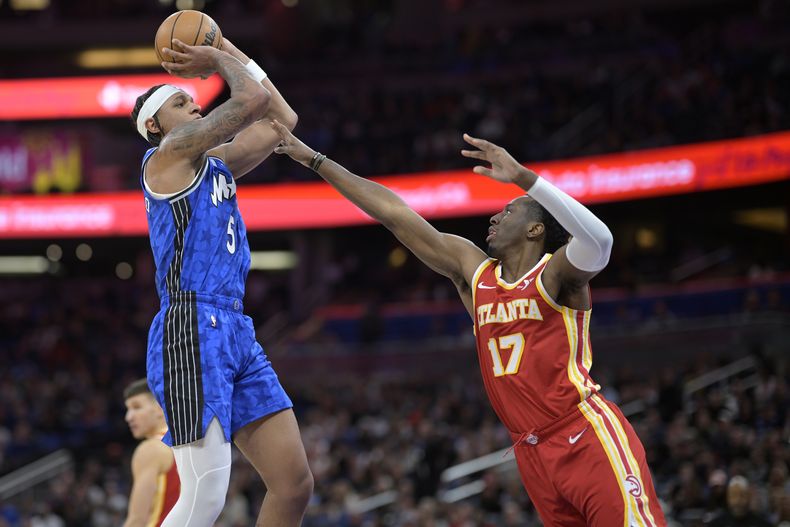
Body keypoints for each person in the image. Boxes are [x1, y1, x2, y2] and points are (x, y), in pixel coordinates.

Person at [272, 122, 667, 526]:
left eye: (508, 210)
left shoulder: (556, 275)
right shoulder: (476, 274)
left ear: (536, 229)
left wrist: (526, 180)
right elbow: (394, 213)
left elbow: (601, 242)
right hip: (530, 450)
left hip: (583, 433)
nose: (495, 218)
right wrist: (315, 160)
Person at [130, 37, 312, 527]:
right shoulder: (166, 157)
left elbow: (281, 121)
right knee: (205, 495)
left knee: (293, 485)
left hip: (234, 325)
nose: (194, 104)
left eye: (193, 99)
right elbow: (249, 99)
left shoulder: (217, 164)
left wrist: (225, 46)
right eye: (180, 102)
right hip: (190, 323)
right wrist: (214, 59)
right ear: (155, 125)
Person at [122, 379, 180, 527]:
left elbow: (137, 520)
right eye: (128, 409)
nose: (128, 417)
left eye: (137, 407)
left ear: (161, 407)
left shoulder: (151, 449)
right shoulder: (191, 443)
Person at [706, 476, 772, 527]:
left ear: (749, 497)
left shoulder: (761, 524)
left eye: (742, 495)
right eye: (734, 495)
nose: (738, 501)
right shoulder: (716, 524)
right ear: (728, 498)